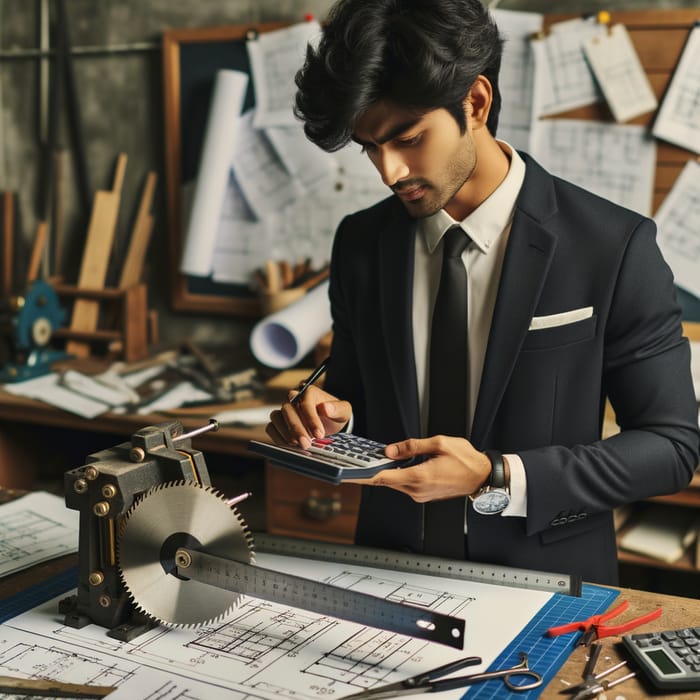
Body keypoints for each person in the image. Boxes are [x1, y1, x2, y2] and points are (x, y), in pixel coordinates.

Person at [265, 0, 699, 584]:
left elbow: (671, 446)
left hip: (548, 586)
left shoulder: (612, 246)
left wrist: (495, 475)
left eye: (408, 139)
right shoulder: (362, 242)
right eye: (369, 147)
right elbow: (355, 391)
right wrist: (328, 416)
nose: (389, 172)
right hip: (384, 575)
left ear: (475, 102)